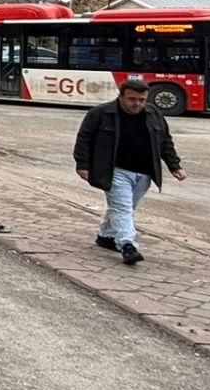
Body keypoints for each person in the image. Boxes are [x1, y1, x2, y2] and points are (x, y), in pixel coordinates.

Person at [73, 76, 187, 265]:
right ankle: (128, 245)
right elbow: (84, 139)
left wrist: (175, 165)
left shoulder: (154, 114)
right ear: (121, 96)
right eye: (132, 99)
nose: (137, 104)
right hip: (115, 170)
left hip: (144, 173)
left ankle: (105, 236)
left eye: (142, 100)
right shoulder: (101, 113)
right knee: (122, 208)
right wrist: (82, 164)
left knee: (126, 208)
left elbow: (165, 141)